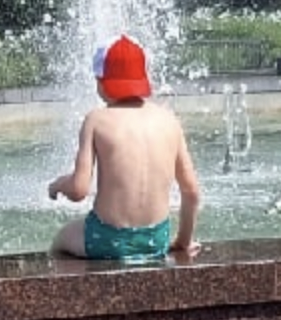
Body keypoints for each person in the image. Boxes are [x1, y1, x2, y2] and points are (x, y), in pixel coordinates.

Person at [46, 34, 201, 262]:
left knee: (60, 241)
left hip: (107, 239)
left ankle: (69, 292)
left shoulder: (96, 120)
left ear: (101, 82)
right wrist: (183, 242)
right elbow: (192, 192)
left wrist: (57, 185)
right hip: (156, 239)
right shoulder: (169, 120)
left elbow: (79, 190)